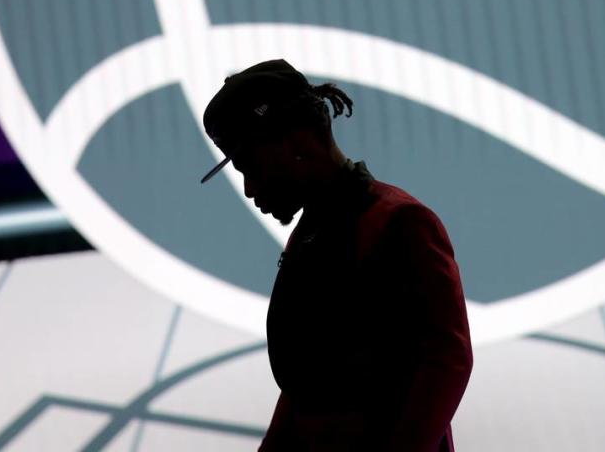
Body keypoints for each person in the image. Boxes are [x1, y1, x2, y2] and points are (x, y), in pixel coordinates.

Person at [200, 58, 473, 451]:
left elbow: (446, 364)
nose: (248, 188)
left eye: (250, 166)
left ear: (296, 143)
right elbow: (304, 388)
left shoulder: (402, 222)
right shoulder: (308, 237)